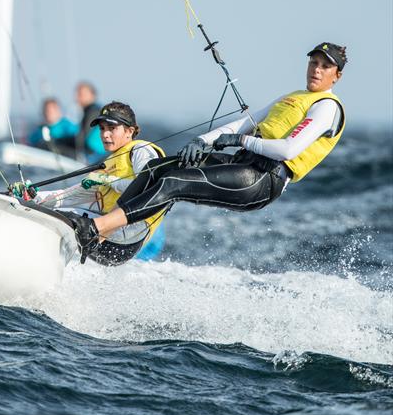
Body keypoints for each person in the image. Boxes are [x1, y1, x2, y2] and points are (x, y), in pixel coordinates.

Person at [70, 42, 347, 259]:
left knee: (173, 182)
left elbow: (288, 149)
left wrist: (240, 141)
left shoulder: (327, 107)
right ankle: (107, 231)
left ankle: (98, 229)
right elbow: (244, 123)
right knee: (163, 167)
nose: (317, 69)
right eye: (314, 62)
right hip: (243, 163)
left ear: (337, 76)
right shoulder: (294, 97)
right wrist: (202, 141)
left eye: (325, 66)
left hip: (262, 179)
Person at [29, 101, 167, 265]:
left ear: (130, 131)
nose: (105, 134)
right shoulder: (109, 163)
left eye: (112, 128)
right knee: (45, 211)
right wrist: (31, 196)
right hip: (105, 236)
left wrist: (106, 180)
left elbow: (148, 187)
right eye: (102, 128)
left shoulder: (141, 150)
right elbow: (69, 196)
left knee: (56, 220)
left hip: (128, 236)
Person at [75, 81, 107, 161]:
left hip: (95, 155)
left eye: (81, 94)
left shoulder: (93, 111)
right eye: (77, 94)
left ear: (93, 95)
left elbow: (82, 137)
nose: (77, 98)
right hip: (96, 153)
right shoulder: (92, 110)